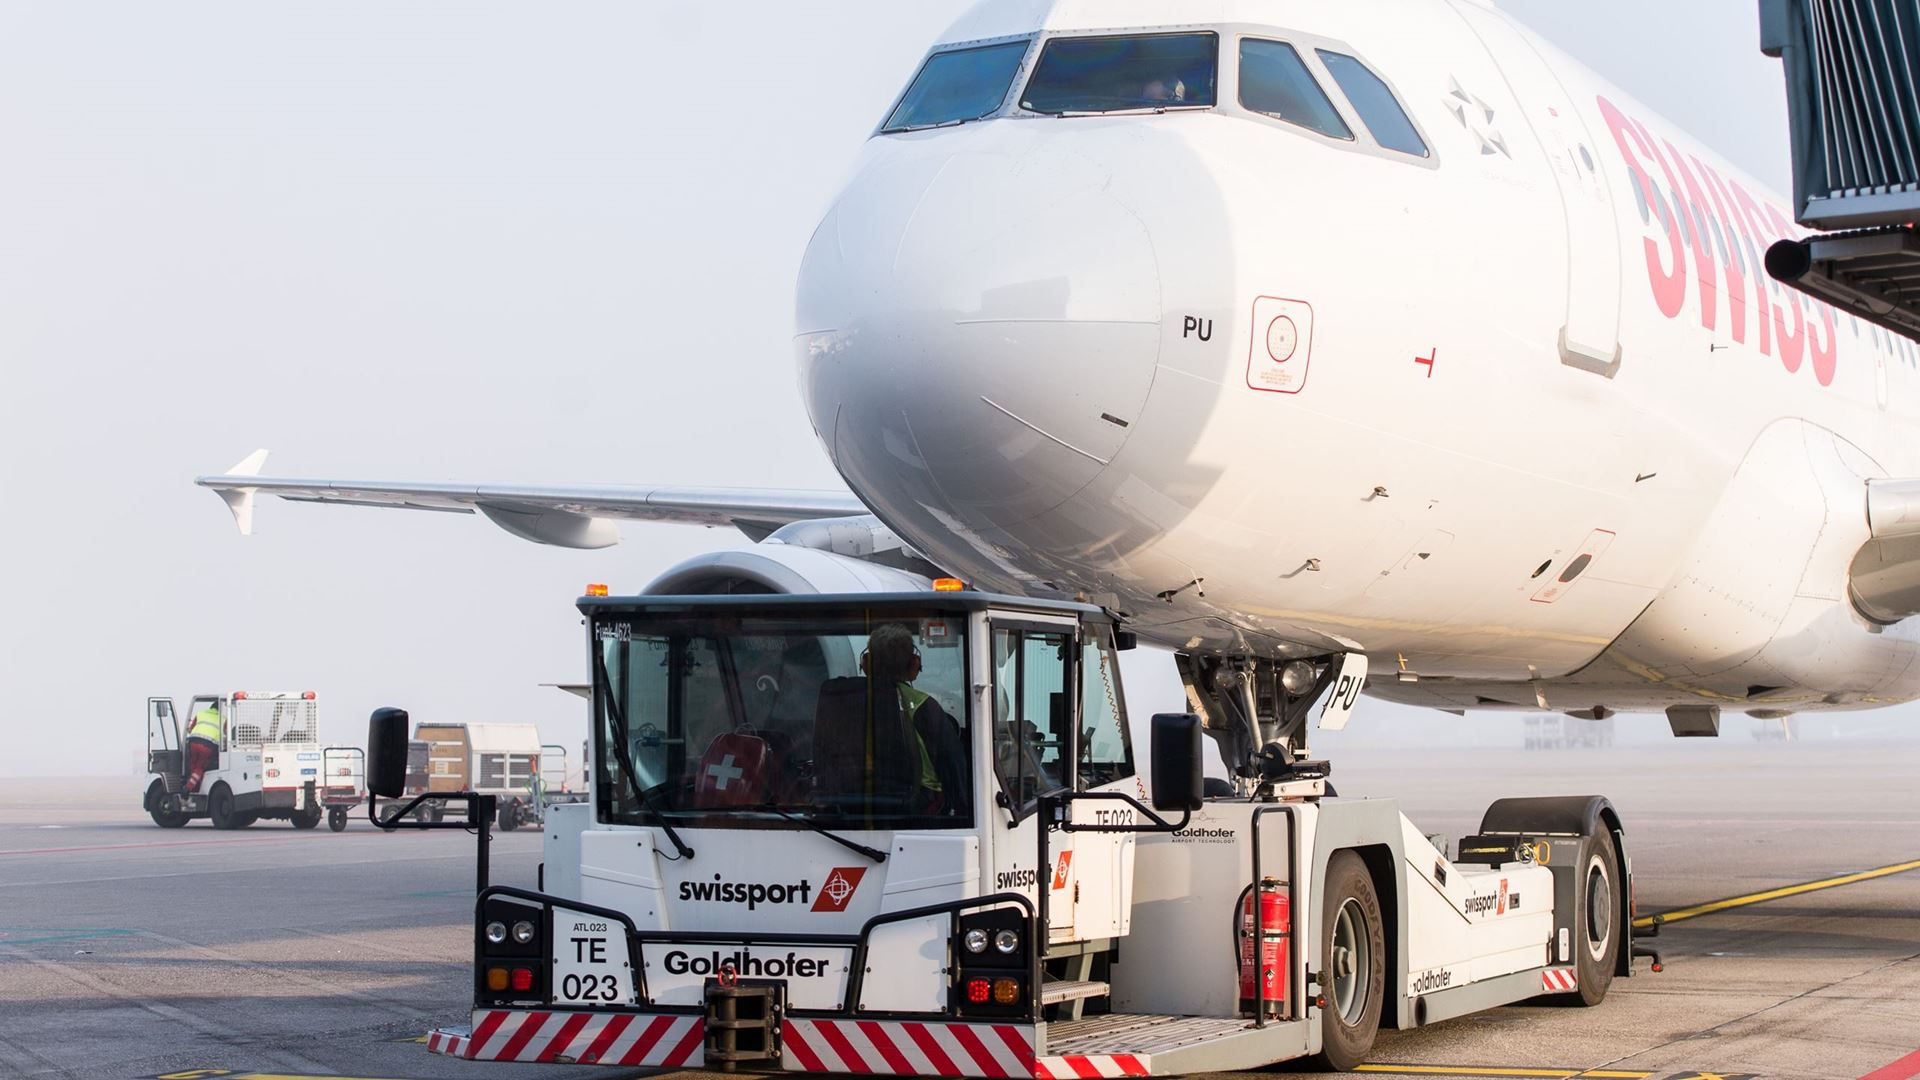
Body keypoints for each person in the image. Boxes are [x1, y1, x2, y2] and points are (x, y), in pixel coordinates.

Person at [864, 624, 968, 816]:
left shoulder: (842, 700)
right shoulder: (924, 706)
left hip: (850, 807)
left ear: (866, 662)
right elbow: (954, 769)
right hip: (917, 809)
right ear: (914, 663)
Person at [184, 702, 222, 793]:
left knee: (193, 766)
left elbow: (190, 729)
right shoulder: (223, 719)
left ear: (211, 708)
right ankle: (188, 788)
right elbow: (226, 735)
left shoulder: (201, 713)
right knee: (200, 768)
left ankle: (193, 787)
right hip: (207, 746)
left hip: (193, 741)